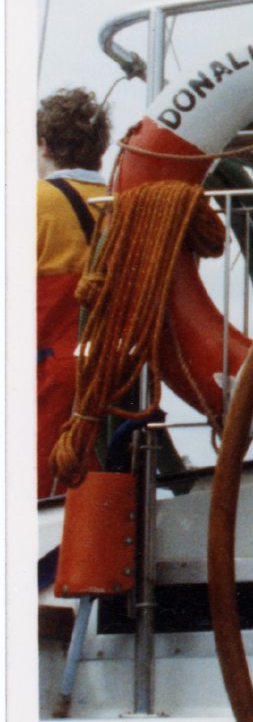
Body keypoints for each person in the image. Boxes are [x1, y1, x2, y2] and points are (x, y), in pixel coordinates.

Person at [37, 89, 111, 497]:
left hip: (50, 381)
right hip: (118, 380)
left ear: (44, 144)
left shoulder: (35, 203)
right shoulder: (125, 204)